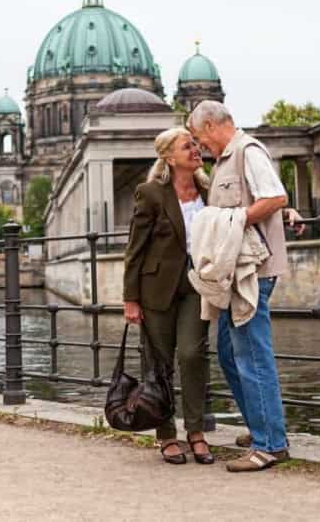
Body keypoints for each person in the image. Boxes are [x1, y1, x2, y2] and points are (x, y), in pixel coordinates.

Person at [187, 100, 304, 473]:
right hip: (236, 272)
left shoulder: (246, 150)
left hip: (254, 270)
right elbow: (266, 200)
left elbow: (275, 196)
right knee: (227, 352)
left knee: (251, 355)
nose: (199, 146)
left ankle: (270, 444)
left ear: (209, 126)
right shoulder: (225, 159)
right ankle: (262, 426)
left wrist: (236, 222)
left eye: (198, 137)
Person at [122, 127, 214, 465]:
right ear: (169, 157)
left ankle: (196, 431)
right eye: (186, 146)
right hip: (156, 288)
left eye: (195, 144)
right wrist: (130, 298)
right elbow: (135, 249)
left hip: (197, 285)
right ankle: (166, 435)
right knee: (158, 362)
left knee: (192, 354)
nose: (195, 149)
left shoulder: (209, 190)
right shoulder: (150, 193)